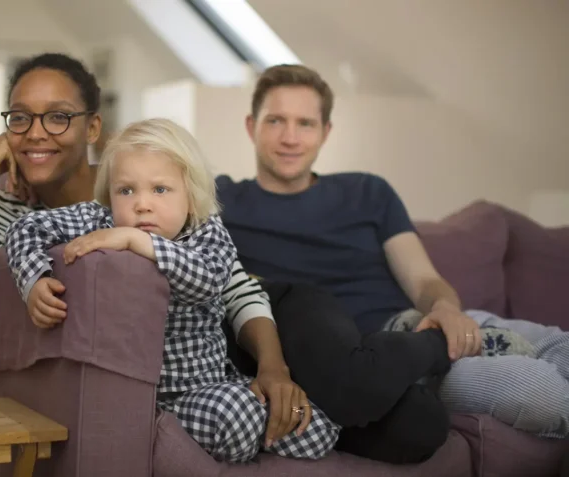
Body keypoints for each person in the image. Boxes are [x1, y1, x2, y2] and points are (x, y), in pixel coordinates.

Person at [0, 53, 316, 450]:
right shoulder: (10, 210)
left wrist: (272, 367)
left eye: (58, 116)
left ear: (92, 128)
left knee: (320, 329)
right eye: (20, 118)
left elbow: (233, 285)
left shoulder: (137, 174)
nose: (35, 132)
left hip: (236, 336)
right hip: (176, 382)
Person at [217, 63, 569, 463]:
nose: (290, 138)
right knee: (540, 392)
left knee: (561, 346)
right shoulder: (222, 204)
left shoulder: (369, 192)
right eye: (275, 120)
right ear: (251, 126)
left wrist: (446, 310)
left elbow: (423, 280)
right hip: (376, 366)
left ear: (326, 132)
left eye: (305, 124)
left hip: (418, 325)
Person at [4, 118, 340, 463]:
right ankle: (191, 433)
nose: (141, 204)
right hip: (146, 399)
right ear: (109, 196)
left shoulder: (206, 231)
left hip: (208, 385)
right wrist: (33, 281)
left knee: (315, 431)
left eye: (160, 190)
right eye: (126, 190)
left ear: (192, 198)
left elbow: (207, 282)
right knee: (236, 414)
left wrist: (139, 241)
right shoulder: (101, 220)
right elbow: (24, 227)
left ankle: (228, 433)